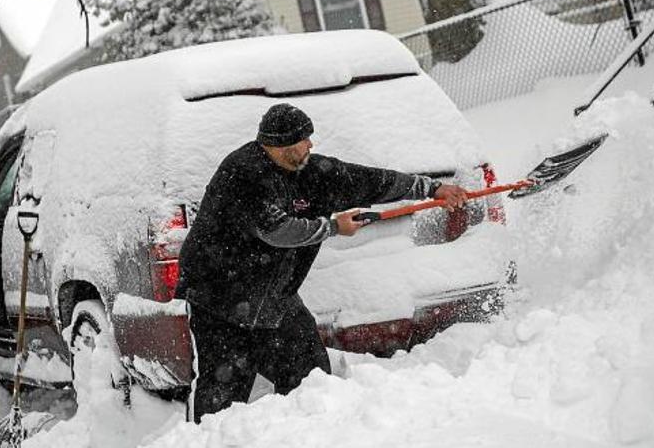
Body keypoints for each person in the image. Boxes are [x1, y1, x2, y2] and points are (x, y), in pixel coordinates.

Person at [176, 103, 469, 423]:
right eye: (304, 140)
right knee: (223, 397)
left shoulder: (312, 172)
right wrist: (332, 227)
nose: (311, 145)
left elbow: (371, 181)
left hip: (276, 299)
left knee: (310, 378)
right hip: (220, 300)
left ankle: (309, 434)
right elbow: (277, 230)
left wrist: (432, 188)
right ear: (282, 145)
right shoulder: (244, 173)